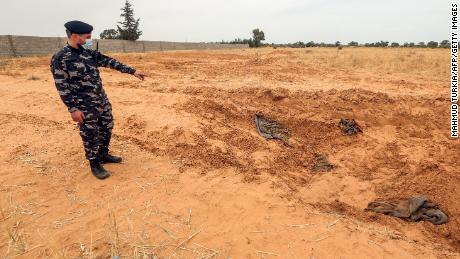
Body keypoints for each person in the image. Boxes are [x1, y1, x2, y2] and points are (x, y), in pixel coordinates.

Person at [50, 20, 145, 180]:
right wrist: (73, 109)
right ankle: (94, 163)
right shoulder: (60, 59)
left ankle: (103, 154)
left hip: (101, 100)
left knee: (107, 126)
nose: (90, 39)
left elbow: (109, 61)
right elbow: (62, 86)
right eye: (87, 37)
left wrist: (132, 71)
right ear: (74, 35)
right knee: (90, 133)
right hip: (83, 105)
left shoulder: (88, 53)